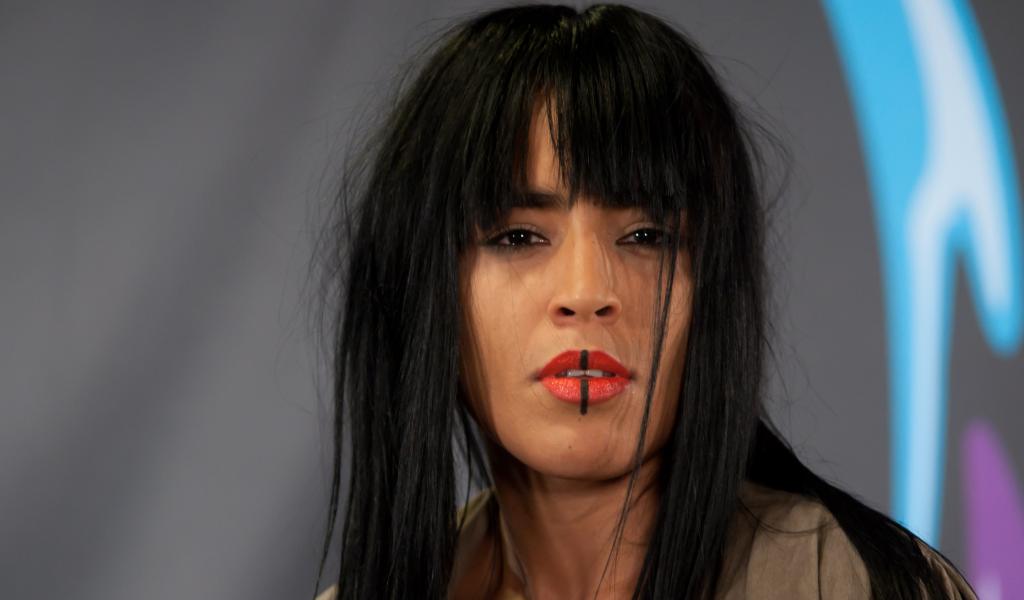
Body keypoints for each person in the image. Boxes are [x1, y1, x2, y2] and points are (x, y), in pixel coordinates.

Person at [309, 3, 978, 598]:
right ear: (425, 288)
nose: (585, 294)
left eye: (646, 236)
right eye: (517, 237)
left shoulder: (860, 586)